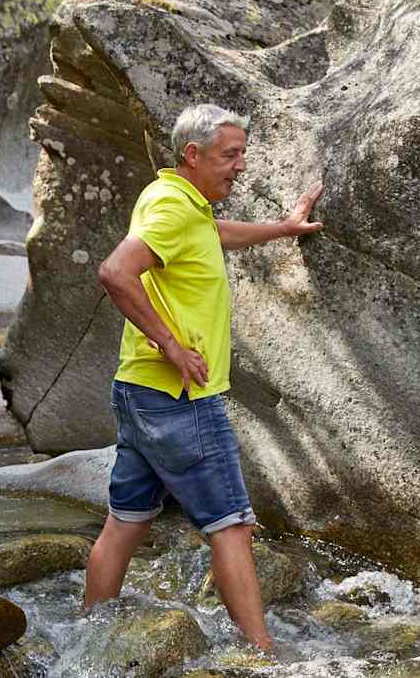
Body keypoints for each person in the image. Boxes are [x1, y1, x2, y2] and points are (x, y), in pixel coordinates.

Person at [84, 103, 324, 651]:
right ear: (192, 155)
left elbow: (212, 234)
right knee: (232, 525)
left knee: (125, 521)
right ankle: (264, 654)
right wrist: (172, 345)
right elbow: (114, 272)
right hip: (181, 397)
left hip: (138, 391)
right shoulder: (173, 209)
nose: (240, 166)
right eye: (229, 155)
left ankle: (87, 636)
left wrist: (283, 228)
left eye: (242, 153)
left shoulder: (171, 198)